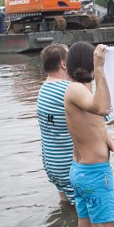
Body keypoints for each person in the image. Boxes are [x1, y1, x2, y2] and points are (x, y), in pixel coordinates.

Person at [64, 42, 114, 227]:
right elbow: (102, 109)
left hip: (82, 173)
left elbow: (96, 123)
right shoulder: (75, 89)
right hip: (94, 174)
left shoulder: (80, 91)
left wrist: (111, 144)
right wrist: (99, 68)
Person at [37, 44, 74, 206]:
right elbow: (102, 114)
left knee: (66, 207)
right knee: (85, 213)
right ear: (63, 63)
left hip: (52, 162)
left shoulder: (44, 88)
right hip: (68, 164)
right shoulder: (67, 89)